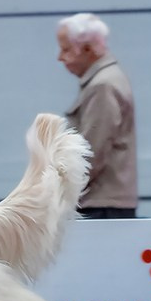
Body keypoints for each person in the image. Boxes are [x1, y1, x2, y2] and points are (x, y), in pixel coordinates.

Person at [56, 12, 138, 218]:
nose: (60, 58)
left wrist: (59, 192)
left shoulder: (102, 85)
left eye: (66, 50)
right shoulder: (105, 79)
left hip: (101, 204)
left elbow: (92, 150)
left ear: (87, 49)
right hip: (105, 201)